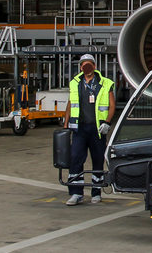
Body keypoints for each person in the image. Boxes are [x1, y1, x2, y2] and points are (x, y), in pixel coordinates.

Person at [63, 54, 116, 205]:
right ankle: (76, 192)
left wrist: (107, 122)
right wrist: (66, 124)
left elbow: (112, 105)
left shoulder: (106, 83)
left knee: (98, 159)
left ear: (94, 66)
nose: (87, 67)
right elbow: (70, 104)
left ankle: (96, 192)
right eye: (84, 65)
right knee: (76, 159)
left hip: (97, 128)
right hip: (79, 128)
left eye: (89, 64)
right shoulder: (75, 83)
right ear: (81, 67)